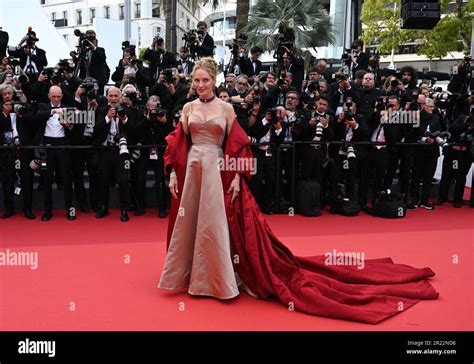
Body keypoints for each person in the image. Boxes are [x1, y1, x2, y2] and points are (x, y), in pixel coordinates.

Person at [158, 57, 438, 324]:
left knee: (214, 224)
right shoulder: (188, 108)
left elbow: (240, 144)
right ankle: (188, 275)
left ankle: (217, 279)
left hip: (219, 170)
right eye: (196, 80)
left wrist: (238, 176)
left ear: (213, 79)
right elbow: (177, 142)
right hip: (192, 172)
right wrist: (172, 172)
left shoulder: (226, 108)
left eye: (205, 79)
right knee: (192, 223)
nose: (200, 84)